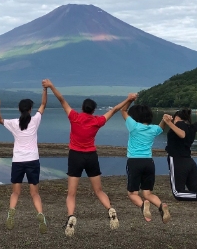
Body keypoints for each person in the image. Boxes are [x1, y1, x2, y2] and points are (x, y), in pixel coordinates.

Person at [43, 79, 133, 237]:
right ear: (93, 110)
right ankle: (109, 209)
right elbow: (115, 110)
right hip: (91, 156)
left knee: (71, 193)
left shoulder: (74, 117)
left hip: (75, 156)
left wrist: (50, 86)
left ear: (83, 108)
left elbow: (62, 100)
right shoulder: (97, 121)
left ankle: (71, 216)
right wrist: (129, 99)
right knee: (98, 190)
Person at [0, 86, 48, 234]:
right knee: (35, 193)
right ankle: (40, 215)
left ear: (19, 110)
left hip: (18, 161)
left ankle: (11, 211)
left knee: (15, 192)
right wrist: (45, 89)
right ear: (30, 110)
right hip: (32, 160)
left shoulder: (13, 123)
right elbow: (43, 104)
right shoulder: (35, 120)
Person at [120, 98, 170, 223]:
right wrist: (164, 120)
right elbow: (161, 128)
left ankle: (144, 206)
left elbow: (123, 110)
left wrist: (130, 99)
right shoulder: (153, 129)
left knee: (132, 193)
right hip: (149, 162)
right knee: (147, 193)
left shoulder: (134, 126)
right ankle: (161, 206)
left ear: (135, 116)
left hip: (134, 162)